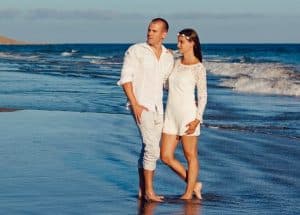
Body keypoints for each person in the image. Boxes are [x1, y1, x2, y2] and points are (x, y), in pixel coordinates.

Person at [118, 18, 174, 202]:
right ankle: (150, 191)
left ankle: (143, 190)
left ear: (164, 34)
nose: (150, 33)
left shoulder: (168, 56)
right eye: (149, 30)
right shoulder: (136, 51)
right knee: (152, 149)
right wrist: (134, 104)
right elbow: (126, 79)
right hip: (141, 106)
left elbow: (166, 84)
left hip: (159, 108)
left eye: (154, 31)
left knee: (146, 148)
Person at [160, 28, 207, 200]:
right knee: (165, 156)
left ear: (192, 43)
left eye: (182, 42)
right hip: (170, 115)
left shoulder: (198, 68)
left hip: (188, 116)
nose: (178, 45)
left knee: (190, 155)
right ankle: (194, 184)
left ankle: (188, 193)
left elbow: (202, 95)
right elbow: (166, 86)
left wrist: (197, 119)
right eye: (178, 41)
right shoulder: (175, 63)